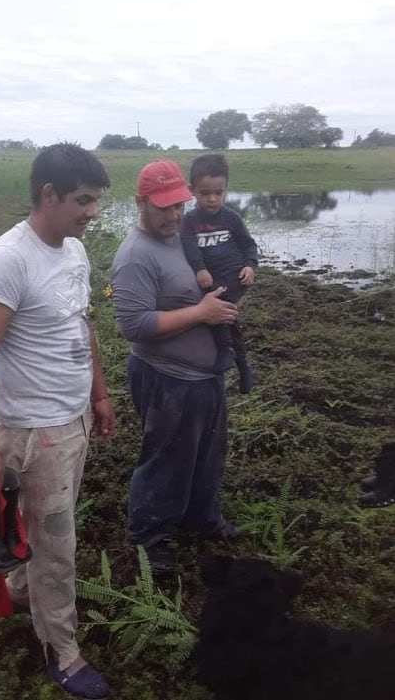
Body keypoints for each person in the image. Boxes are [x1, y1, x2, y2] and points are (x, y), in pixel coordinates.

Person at [0, 143, 114, 700]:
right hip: (31, 427)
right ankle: (62, 652)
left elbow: (81, 323)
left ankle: (24, 586)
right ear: (48, 195)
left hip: (70, 418)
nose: (91, 212)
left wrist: (98, 393)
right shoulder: (8, 260)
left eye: (94, 201)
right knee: (57, 546)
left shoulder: (73, 251)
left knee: (55, 527)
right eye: (83, 200)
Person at [110, 160, 240, 574]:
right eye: (163, 207)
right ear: (140, 202)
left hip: (205, 377)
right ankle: (150, 537)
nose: (174, 215)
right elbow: (134, 326)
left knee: (207, 454)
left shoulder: (184, 237)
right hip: (166, 378)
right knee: (167, 459)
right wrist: (201, 314)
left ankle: (202, 518)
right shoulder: (135, 255)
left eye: (179, 205)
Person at [180, 154, 258, 394]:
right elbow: (189, 248)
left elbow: (248, 245)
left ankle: (226, 351)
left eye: (218, 192)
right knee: (230, 320)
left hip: (234, 279)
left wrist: (250, 266)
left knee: (220, 311)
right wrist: (200, 269)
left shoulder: (231, 217)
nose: (212, 199)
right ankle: (243, 365)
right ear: (192, 190)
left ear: (225, 190)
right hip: (211, 280)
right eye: (205, 193)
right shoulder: (189, 221)